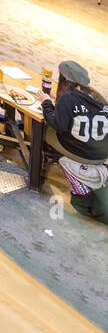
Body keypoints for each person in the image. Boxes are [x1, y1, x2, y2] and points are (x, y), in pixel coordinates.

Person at [41, 60, 108, 220]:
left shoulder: (68, 99)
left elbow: (57, 123)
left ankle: (40, 160)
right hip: (100, 154)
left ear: (65, 79)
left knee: (47, 132)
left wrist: (46, 103)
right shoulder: (100, 99)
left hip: (81, 154)